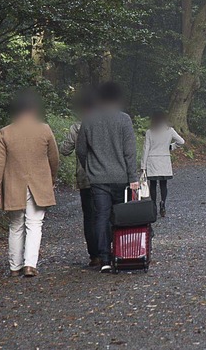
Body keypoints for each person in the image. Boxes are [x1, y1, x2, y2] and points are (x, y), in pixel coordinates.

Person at [0, 90, 59, 278]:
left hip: (13, 186)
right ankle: (30, 264)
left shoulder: (5, 132)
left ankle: (14, 266)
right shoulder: (44, 130)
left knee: (16, 225)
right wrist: (51, 179)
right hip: (39, 185)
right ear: (34, 109)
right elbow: (54, 159)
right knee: (35, 224)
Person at [77, 81, 139, 274]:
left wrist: (90, 167)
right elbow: (130, 152)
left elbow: (80, 149)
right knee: (120, 217)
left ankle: (104, 258)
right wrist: (133, 177)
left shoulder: (89, 119)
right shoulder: (124, 119)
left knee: (101, 217)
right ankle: (121, 253)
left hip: (98, 178)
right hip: (121, 177)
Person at [58, 89, 100, 267]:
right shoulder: (103, 124)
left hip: (84, 177)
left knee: (89, 216)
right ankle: (107, 250)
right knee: (105, 213)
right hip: (105, 176)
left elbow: (64, 150)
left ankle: (94, 255)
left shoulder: (76, 127)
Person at [141, 110, 185, 217]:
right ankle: (163, 204)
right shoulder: (169, 130)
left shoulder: (149, 132)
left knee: (153, 185)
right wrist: (171, 146)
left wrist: (143, 166)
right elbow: (181, 141)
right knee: (163, 184)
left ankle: (154, 206)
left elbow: (146, 149)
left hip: (152, 161)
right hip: (164, 160)